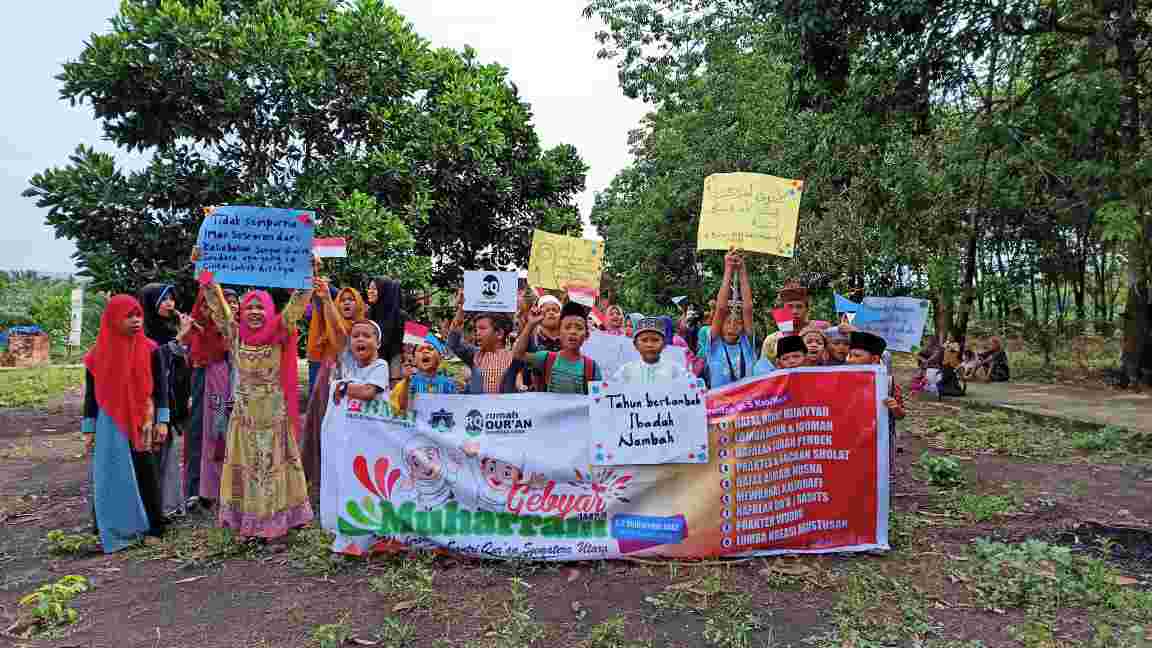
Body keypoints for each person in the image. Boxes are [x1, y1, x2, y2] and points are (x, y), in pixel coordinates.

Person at [194, 250, 315, 541]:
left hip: (272, 414)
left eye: (261, 308)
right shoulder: (234, 333)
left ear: (270, 310)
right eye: (249, 308)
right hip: (245, 415)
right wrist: (204, 266)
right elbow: (216, 301)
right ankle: (246, 518)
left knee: (272, 465)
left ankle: (277, 519)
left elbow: (298, 302)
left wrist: (309, 271)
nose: (255, 313)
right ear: (242, 312)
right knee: (247, 466)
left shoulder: (280, 329)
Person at [83, 295, 170, 552]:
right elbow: (91, 396)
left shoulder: (151, 349)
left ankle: (155, 526)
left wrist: (162, 421)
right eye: (128, 316)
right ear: (112, 319)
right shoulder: (96, 356)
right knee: (108, 472)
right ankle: (104, 525)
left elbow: (162, 389)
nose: (135, 320)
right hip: (109, 422)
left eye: (138, 315)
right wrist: (88, 429)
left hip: (142, 419)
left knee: (145, 470)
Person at [300, 284, 365, 491]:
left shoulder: (364, 328)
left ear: (359, 303)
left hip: (353, 386)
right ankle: (320, 479)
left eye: (351, 299)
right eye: (343, 299)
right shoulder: (328, 322)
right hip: (326, 380)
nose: (346, 302)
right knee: (322, 427)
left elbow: (342, 337)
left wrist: (329, 299)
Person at [138, 283, 195, 519]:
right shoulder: (144, 330)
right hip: (149, 400)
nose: (170, 303)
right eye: (163, 300)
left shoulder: (168, 327)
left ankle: (166, 505)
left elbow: (179, 364)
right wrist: (181, 337)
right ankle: (151, 507)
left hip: (168, 399)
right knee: (150, 452)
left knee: (166, 450)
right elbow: (156, 359)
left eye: (171, 298)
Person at [184, 286, 239, 510]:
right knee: (204, 433)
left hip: (226, 387)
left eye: (213, 306)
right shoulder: (197, 335)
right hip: (206, 386)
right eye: (205, 306)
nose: (208, 311)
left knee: (221, 433)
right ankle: (200, 490)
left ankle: (220, 489)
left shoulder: (235, 333)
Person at [513, 300, 603, 394]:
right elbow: (517, 354)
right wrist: (530, 324)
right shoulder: (546, 358)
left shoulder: (592, 367)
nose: (573, 332)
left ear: (586, 335)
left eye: (579, 328)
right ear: (559, 333)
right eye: (567, 327)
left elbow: (598, 401)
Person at [448, 291, 521, 394]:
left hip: (505, 410)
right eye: (476, 329)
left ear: (499, 333)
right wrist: (461, 309)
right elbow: (453, 343)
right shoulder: (475, 354)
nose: (477, 333)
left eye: (482, 328)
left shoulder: (514, 357)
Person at [847, 331, 906, 457]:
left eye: (857, 356)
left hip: (878, 444)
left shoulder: (889, 383)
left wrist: (894, 407)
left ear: (874, 359)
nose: (851, 360)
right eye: (849, 356)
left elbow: (901, 415)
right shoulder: (842, 380)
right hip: (850, 441)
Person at [707, 249, 758, 389]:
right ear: (719, 325)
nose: (732, 327)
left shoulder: (746, 343)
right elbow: (721, 309)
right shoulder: (714, 344)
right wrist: (728, 268)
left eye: (738, 323)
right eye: (728, 322)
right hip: (721, 407)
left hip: (747, 405)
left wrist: (742, 270)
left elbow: (748, 308)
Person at [761, 280, 830, 363]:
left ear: (807, 310)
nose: (794, 311)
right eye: (789, 307)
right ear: (783, 310)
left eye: (799, 307)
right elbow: (764, 369)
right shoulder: (772, 340)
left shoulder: (822, 329)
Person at [390, 333, 458, 413]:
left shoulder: (449, 384)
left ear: (439, 358)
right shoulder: (410, 382)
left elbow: (454, 409)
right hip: (416, 424)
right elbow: (403, 407)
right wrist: (407, 381)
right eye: (420, 349)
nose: (425, 351)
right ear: (414, 360)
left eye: (430, 349)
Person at [612, 317, 690, 384]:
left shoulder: (676, 371)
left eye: (655, 340)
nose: (649, 345)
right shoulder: (625, 371)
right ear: (635, 345)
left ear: (664, 344)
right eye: (644, 340)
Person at [366, 277, 408, 387]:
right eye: (369, 288)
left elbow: (418, 340)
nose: (369, 292)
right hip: (371, 368)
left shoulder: (401, 315)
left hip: (395, 370)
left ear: (384, 292)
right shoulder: (369, 313)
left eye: (374, 289)